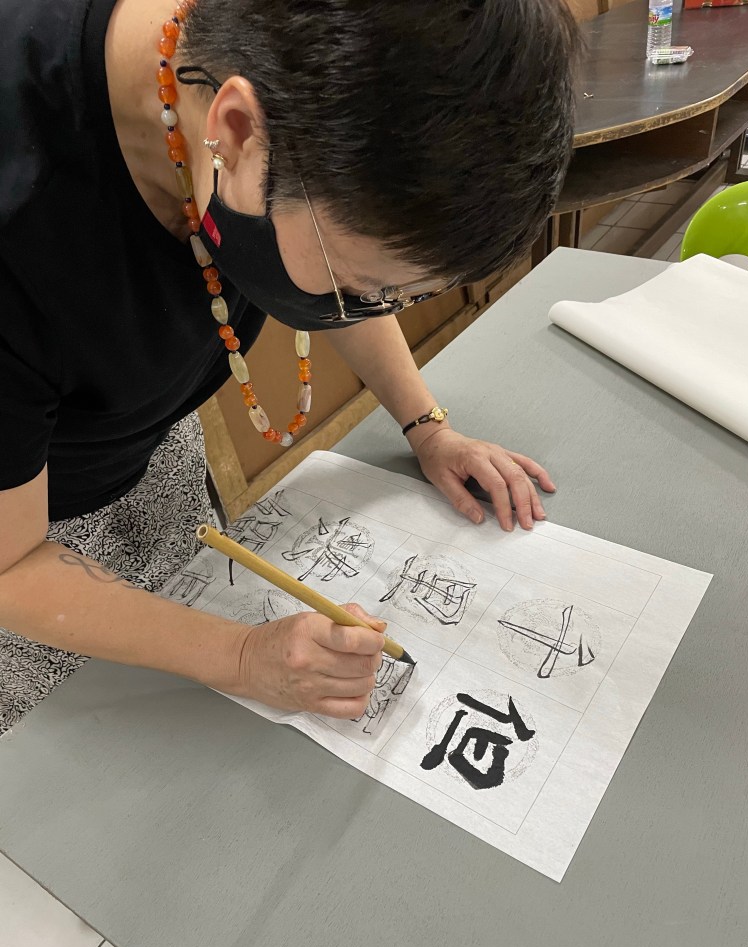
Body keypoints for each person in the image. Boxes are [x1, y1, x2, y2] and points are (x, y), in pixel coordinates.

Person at [0, 0, 579, 732]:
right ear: (237, 130)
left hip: (145, 459)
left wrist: (427, 426)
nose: (374, 308)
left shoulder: (263, 87)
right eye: (364, 288)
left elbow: (349, 251)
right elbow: (12, 566)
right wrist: (242, 657)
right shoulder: (24, 216)